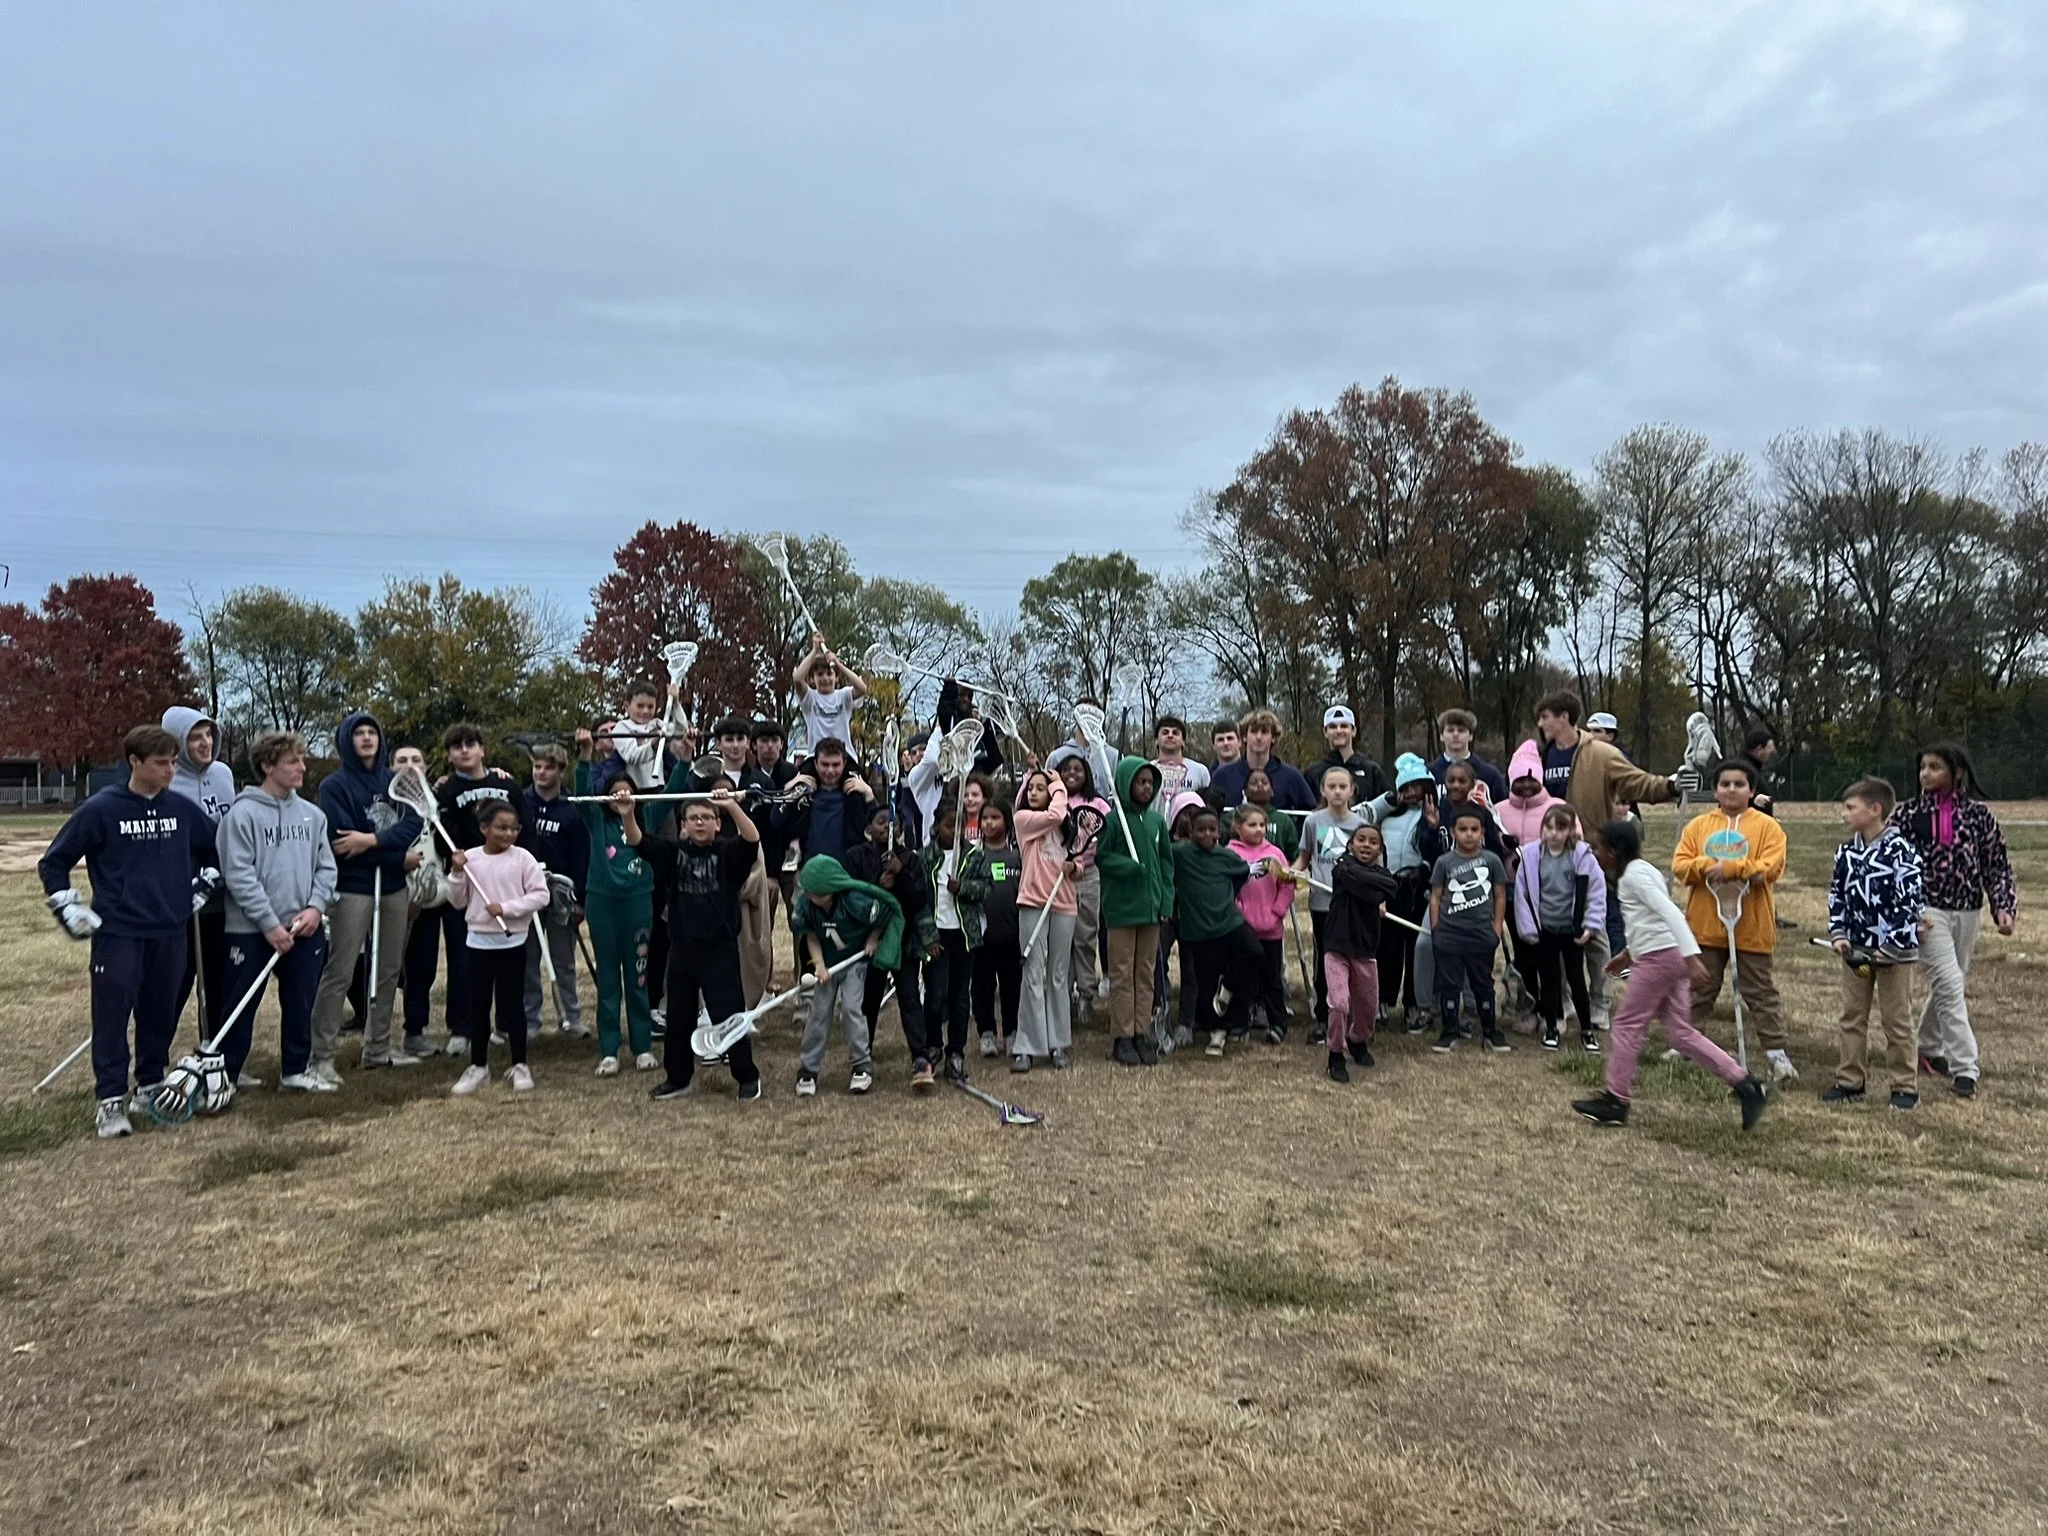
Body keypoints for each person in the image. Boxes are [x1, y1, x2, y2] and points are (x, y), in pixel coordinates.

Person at [39, 725, 219, 1139]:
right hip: (119, 931)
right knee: (112, 1017)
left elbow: (213, 846)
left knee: (160, 1012)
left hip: (170, 929)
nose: (170, 771)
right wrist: (67, 903)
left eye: (173, 763)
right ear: (134, 762)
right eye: (161, 763)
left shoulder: (181, 808)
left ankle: (150, 1083)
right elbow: (54, 861)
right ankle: (110, 1099)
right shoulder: (102, 809)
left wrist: (205, 881)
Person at [1572, 821, 1768, 1130]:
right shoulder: (1644, 870)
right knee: (1680, 1033)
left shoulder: (1634, 877)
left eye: (1599, 848)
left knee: (1626, 1024)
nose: (1595, 854)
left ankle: (1616, 1100)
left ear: (1615, 851)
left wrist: (1692, 958)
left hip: (1659, 959)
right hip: (1667, 954)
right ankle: (1745, 1084)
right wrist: (1628, 954)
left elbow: (1671, 912)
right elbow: (1650, 920)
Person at [1534, 691, 1678, 1026]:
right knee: (1553, 934)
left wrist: (1670, 786)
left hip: (1587, 854)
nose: (1541, 724)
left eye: (1545, 717)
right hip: (1548, 855)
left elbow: (1636, 782)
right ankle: (1564, 1001)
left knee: (1595, 936)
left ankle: (1600, 1001)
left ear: (1565, 717)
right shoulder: (1540, 756)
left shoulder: (1600, 753)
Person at [1890, 743, 2017, 1100]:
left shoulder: (1979, 816)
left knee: (1952, 981)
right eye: (1922, 767)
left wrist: (2003, 906)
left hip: (1967, 910)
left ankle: (1927, 1047)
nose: (1925, 774)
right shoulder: (1907, 815)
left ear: (1956, 772)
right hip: (1926, 912)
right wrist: (1905, 911)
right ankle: (1966, 1067)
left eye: (1934, 767)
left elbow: (1996, 864)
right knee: (1948, 983)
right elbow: (1892, 866)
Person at [216, 730, 336, 1095]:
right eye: (292, 762)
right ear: (268, 766)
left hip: (304, 929)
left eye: (302, 760)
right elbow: (239, 875)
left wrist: (315, 907)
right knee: (240, 1005)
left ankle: (295, 1071)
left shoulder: (313, 816)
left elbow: (326, 868)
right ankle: (226, 1075)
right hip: (250, 931)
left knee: (301, 1002)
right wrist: (269, 924)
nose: (302, 768)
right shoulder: (242, 815)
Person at [632, 783, 765, 1103]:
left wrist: (731, 805)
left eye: (707, 817)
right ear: (684, 825)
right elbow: (639, 842)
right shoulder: (673, 854)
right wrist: (627, 813)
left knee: (729, 1016)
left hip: (719, 951)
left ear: (717, 824)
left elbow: (752, 839)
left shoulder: (727, 853)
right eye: (693, 818)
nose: (700, 822)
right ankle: (678, 1078)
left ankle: (747, 1076)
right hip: (682, 950)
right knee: (679, 1018)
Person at [312, 710, 424, 1076]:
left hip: (392, 886)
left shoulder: (396, 781)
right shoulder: (333, 786)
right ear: (347, 740)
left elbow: (413, 823)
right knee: (341, 970)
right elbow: (343, 842)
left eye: (371, 732)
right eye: (358, 733)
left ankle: (378, 1048)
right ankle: (321, 1056)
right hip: (354, 886)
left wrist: (372, 840)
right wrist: (394, 854)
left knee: (388, 968)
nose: (366, 738)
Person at [1674, 759, 1793, 1082]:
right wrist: (1705, 865)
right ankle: (1686, 1042)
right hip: (1706, 926)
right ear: (1715, 790)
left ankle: (1776, 1053)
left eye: (1739, 784)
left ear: (1751, 790)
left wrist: (1732, 869)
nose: (1731, 790)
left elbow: (1770, 867)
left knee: (1760, 992)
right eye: (1725, 784)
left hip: (1751, 926)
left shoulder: (1768, 828)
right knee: (1699, 988)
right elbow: (1681, 865)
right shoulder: (1698, 826)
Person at [1820, 777, 1925, 1111]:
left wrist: (1891, 947)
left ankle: (1904, 1086)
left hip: (1894, 956)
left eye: (1851, 807)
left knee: (1897, 1020)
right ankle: (1850, 1080)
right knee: (1852, 1016)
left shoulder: (1901, 852)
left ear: (1875, 809)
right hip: (1857, 951)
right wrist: (1839, 933)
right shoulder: (1846, 852)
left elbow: (1909, 903)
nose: (1844, 814)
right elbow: (1837, 895)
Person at [663, 715, 775, 1005]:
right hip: (708, 871)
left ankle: (752, 996)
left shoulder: (760, 781)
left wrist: (770, 872)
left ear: (748, 743)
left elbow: (768, 830)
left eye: (740, 739)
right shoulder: (701, 777)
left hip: (749, 866)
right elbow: (684, 813)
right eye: (729, 739)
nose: (735, 746)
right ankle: (705, 1003)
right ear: (719, 743)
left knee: (752, 940)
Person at [445, 801, 551, 1095]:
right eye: (502, 828)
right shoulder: (470, 859)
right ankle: (478, 1066)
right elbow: (457, 901)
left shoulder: (523, 859)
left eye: (514, 829)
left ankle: (520, 1064)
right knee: (478, 1005)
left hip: (512, 941)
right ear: (484, 828)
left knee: (512, 1004)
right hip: (478, 942)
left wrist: (506, 908)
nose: (508, 834)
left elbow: (540, 896)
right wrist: (456, 873)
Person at [573, 728, 659, 1076]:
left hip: (638, 903)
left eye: (627, 791)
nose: (621, 796)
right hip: (602, 903)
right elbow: (581, 791)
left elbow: (674, 789)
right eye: (614, 792)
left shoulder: (647, 819)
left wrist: (684, 757)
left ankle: (643, 1047)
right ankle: (609, 1050)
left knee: (638, 978)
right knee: (608, 980)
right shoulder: (596, 821)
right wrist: (585, 754)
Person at [429, 723, 519, 1058]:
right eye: (456, 746)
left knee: (507, 958)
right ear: (449, 755)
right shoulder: (445, 791)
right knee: (462, 958)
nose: (464, 751)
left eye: (470, 744)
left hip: (505, 883)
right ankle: (461, 1028)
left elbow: (522, 829)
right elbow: (441, 837)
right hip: (466, 883)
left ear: (483, 749)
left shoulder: (506, 784)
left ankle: (504, 1025)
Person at [788, 853, 904, 1097]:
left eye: (818, 893)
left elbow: (883, 915)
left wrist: (873, 939)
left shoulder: (856, 901)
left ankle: (861, 1065)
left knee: (851, 1009)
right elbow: (811, 936)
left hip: (854, 963)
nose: (812, 897)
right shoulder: (807, 905)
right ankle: (808, 1068)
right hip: (828, 966)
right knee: (819, 1014)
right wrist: (819, 965)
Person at [843, 803, 936, 1087]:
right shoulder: (855, 857)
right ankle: (863, 1055)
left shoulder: (910, 859)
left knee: (909, 998)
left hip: (902, 942)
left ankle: (920, 1056)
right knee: (869, 1000)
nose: (886, 826)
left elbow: (919, 899)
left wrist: (901, 874)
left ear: (901, 829)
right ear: (868, 828)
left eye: (892, 822)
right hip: (868, 942)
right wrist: (878, 882)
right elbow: (850, 895)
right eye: (880, 821)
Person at [162, 705, 235, 1046]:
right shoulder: (167, 780)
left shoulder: (223, 774)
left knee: (219, 977)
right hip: (183, 897)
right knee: (176, 979)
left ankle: (214, 1049)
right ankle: (155, 1055)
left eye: (209, 735)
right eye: (195, 737)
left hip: (224, 893)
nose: (205, 743)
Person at [1096, 755, 1174, 1067]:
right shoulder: (1114, 821)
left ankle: (1141, 1031)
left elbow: (1166, 865)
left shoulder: (1156, 822)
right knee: (1121, 973)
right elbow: (1102, 858)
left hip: (1151, 910)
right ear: (1126, 783)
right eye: (1140, 782)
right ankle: (1123, 1035)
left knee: (1145, 972)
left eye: (1150, 783)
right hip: (1122, 910)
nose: (1146, 788)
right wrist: (1128, 867)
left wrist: (1165, 900)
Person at [1509, 805, 1605, 1053]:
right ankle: (1551, 1027)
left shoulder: (1582, 857)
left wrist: (1591, 924)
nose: (1553, 833)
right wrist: (1528, 928)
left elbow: (1596, 893)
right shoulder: (1531, 857)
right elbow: (1522, 895)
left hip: (1572, 931)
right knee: (1549, 981)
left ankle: (1587, 1031)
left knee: (1576, 980)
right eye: (1549, 827)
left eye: (1560, 828)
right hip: (1545, 931)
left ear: (1571, 830)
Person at [1169, 808, 1262, 1057]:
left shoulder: (1227, 857)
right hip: (1198, 931)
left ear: (1219, 832)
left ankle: (1229, 986)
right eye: (1201, 830)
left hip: (1229, 923)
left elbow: (1242, 874)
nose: (1207, 834)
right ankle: (1216, 1032)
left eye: (1212, 829)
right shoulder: (1180, 854)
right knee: (1206, 984)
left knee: (1254, 953)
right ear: (1191, 832)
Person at [1361, 754, 1445, 1026]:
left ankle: (1413, 1002)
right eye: (1405, 788)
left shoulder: (1433, 815)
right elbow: (1360, 815)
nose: (1411, 793)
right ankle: (1382, 1000)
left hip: (1418, 887)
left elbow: (1436, 854)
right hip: (1389, 885)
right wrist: (1387, 800)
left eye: (1416, 787)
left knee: (1415, 947)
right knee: (1387, 946)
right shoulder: (1387, 813)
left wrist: (1432, 828)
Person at [520, 742, 589, 1039]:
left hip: (562, 893)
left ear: (561, 771)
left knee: (563, 960)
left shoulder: (573, 808)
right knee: (528, 960)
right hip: (527, 892)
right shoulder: (521, 802)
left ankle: (571, 1017)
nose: (541, 773)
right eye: (537, 767)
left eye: (548, 767)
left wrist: (580, 900)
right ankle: (530, 1019)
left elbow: (582, 855)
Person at [1428, 807, 1509, 1053]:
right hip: (1449, 934)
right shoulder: (1444, 862)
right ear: (1453, 832)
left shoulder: (1492, 861)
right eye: (1463, 829)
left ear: (1482, 832)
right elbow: (1436, 896)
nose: (1469, 834)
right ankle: (1449, 1031)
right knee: (1450, 985)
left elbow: (1500, 896)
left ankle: (1490, 1031)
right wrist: (1436, 928)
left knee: (1483, 985)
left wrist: (1496, 928)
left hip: (1481, 934)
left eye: (1474, 829)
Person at [1012, 770, 1078, 1071]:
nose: (1035, 792)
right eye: (1032, 788)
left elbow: (1079, 860)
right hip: (1033, 902)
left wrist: (1075, 867)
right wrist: (1058, 786)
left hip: (1064, 904)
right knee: (1032, 974)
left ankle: (1058, 1043)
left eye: (1042, 788)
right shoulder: (1024, 819)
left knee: (1058, 976)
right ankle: (1027, 1046)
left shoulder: (1067, 826)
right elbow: (1054, 814)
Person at [1322, 824, 1399, 1082]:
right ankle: (1335, 1054)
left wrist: (1362, 881)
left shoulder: (1375, 873)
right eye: (1361, 840)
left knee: (1367, 1007)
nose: (1366, 845)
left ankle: (1357, 1040)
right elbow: (1370, 888)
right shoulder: (1341, 866)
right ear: (1350, 845)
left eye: (1373, 842)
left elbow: (1390, 886)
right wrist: (1374, 890)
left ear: (1381, 850)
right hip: (1336, 946)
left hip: (1365, 949)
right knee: (1339, 1004)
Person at [923, 799, 990, 1082]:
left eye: (960, 825)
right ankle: (932, 1045)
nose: (955, 831)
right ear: (937, 826)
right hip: (936, 934)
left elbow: (986, 888)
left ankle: (956, 1051)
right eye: (949, 825)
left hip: (963, 934)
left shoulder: (974, 856)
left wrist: (963, 887)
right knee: (935, 995)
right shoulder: (925, 857)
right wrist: (927, 935)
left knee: (960, 996)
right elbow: (919, 899)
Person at [1297, 765, 1366, 1040]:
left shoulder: (1360, 825)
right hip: (1323, 904)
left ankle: (1354, 1016)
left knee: (1354, 960)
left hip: (1354, 904)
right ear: (1323, 790)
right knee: (1325, 960)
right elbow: (1304, 858)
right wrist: (1291, 872)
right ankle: (1324, 1017)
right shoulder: (1313, 822)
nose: (1337, 792)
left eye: (1342, 787)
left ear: (1352, 791)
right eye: (1332, 787)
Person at [1225, 804, 1295, 1043]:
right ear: (1238, 827)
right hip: (1242, 929)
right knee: (1243, 978)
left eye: (1262, 825)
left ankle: (1278, 1023)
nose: (1258, 829)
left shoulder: (1275, 853)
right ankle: (1239, 1023)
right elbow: (1226, 888)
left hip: (1271, 929)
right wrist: (1240, 913)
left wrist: (1278, 911)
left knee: (1272, 979)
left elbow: (1287, 885)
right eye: (1252, 825)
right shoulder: (1230, 854)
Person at [1057, 754, 1111, 1024]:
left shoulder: (1098, 804)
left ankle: (1086, 995)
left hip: (1089, 875)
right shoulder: (1054, 801)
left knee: (1086, 936)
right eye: (1066, 769)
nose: (1072, 773)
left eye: (1078, 769)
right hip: (1059, 875)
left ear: (1087, 774)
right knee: (1062, 938)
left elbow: (1110, 835)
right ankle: (1063, 996)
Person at [971, 799, 1024, 1058]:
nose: (989, 823)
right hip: (982, 937)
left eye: (995, 818)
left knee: (1012, 986)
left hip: (1011, 935)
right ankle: (987, 1033)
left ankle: (1011, 1032)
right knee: (982, 986)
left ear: (1007, 822)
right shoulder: (974, 857)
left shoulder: (1017, 857)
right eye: (985, 818)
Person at [786, 737, 876, 868]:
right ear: (816, 764)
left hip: (846, 871)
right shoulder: (804, 795)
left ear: (844, 763)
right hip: (810, 870)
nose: (830, 771)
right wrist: (787, 790)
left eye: (835, 765)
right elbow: (776, 820)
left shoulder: (855, 797)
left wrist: (869, 795)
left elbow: (881, 827)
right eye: (825, 764)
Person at [1211, 708, 1316, 810]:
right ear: (1244, 737)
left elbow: (1311, 814)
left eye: (1264, 732)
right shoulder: (1222, 776)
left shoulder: (1291, 777)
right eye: (1253, 731)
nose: (1259, 737)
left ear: (1273, 738)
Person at [791, 632, 870, 760]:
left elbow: (862, 688)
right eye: (820, 674)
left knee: (856, 775)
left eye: (829, 673)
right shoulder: (809, 698)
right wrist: (814, 651)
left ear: (836, 677)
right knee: (802, 775)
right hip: (815, 758)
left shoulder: (844, 695)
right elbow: (797, 679)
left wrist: (837, 664)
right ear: (812, 678)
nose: (825, 678)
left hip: (845, 757)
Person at [1428, 708, 1508, 805]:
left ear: (1470, 736)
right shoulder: (1429, 774)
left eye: (1461, 730)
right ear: (1441, 736)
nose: (1455, 734)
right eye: (1450, 730)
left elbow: (1502, 809)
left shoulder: (1490, 775)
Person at [1309, 706, 1388, 801]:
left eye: (1344, 726)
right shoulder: (1313, 773)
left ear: (1353, 731)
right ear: (1325, 732)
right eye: (1333, 727)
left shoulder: (1372, 771)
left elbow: (1386, 805)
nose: (1338, 731)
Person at [1238, 767, 1302, 862]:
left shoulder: (1283, 820)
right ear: (1245, 791)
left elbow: (1295, 855)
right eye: (1254, 783)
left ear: (1272, 791)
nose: (1260, 785)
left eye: (1264, 782)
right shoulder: (1235, 816)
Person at [1150, 716, 1211, 797]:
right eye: (1165, 733)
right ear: (1156, 741)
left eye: (1175, 733)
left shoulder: (1200, 771)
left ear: (1183, 742)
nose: (1170, 735)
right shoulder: (1147, 770)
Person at [1738, 728, 1780, 816]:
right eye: (1769, 748)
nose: (1772, 751)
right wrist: (1754, 799)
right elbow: (1733, 794)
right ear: (1759, 749)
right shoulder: (1742, 769)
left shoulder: (1756, 769)